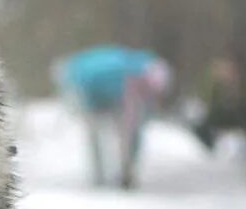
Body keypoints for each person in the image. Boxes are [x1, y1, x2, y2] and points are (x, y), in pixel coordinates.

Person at [51, 45, 173, 189]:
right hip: (106, 97)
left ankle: (103, 175)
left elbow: (77, 100)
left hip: (105, 97)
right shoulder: (132, 68)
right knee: (123, 133)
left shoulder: (81, 68)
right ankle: (123, 173)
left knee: (98, 136)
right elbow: (131, 123)